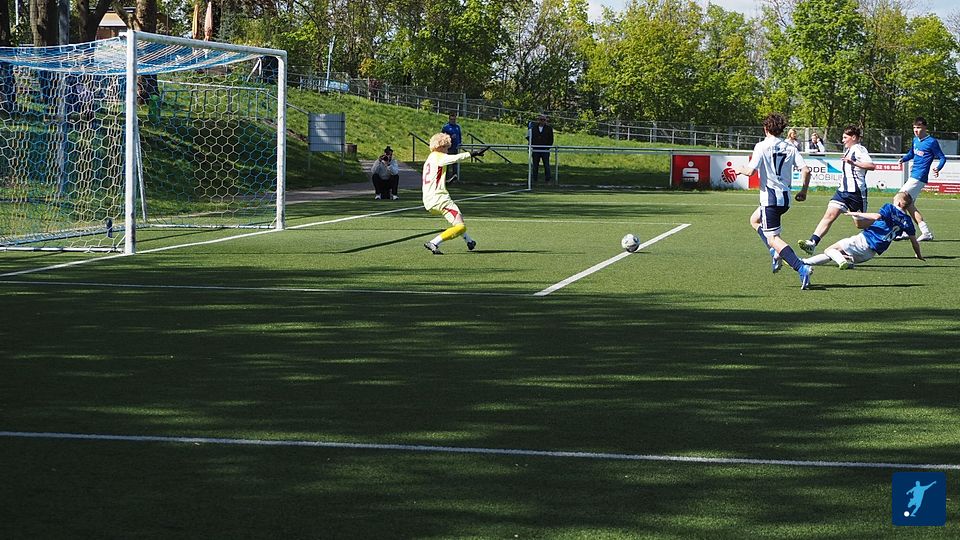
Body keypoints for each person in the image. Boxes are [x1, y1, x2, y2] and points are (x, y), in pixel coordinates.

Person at [736, 112, 814, 289]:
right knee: (754, 220)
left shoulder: (761, 146)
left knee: (773, 238)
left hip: (770, 200)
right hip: (784, 199)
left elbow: (750, 171)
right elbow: (806, 170)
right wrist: (803, 191)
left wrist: (739, 169)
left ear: (766, 128)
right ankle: (775, 251)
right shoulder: (790, 147)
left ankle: (801, 267)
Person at [798, 125, 876, 254]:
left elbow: (871, 166)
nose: (842, 140)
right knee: (829, 215)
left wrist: (854, 163)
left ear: (854, 137)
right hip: (842, 191)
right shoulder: (849, 150)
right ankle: (812, 243)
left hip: (856, 193)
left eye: (845, 137)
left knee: (860, 224)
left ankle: (887, 222)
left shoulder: (859, 149)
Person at [802, 192, 923, 269]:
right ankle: (804, 262)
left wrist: (855, 214)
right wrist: (918, 255)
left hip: (863, 241)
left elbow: (876, 216)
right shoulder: (908, 221)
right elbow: (914, 242)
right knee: (832, 255)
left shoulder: (890, 208)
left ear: (899, 202)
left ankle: (843, 261)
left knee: (829, 250)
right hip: (870, 254)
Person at [421, 132, 486, 254]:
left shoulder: (429, 159)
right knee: (460, 226)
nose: (447, 150)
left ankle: (469, 241)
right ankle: (434, 242)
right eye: (446, 147)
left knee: (456, 221)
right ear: (440, 146)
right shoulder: (440, 156)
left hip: (429, 200)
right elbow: (456, 158)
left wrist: (446, 182)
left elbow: (432, 180)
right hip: (441, 199)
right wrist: (473, 153)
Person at [896, 116, 944, 241]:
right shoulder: (915, 140)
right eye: (914, 127)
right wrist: (903, 159)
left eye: (918, 127)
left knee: (898, 199)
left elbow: (942, 157)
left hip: (919, 177)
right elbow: (911, 153)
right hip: (914, 175)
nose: (916, 130)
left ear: (925, 128)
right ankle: (925, 232)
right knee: (909, 205)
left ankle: (904, 230)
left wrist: (938, 168)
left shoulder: (931, 142)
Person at [527, 114, 554, 183]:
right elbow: (529, 137)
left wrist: (548, 147)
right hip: (536, 149)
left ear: (546, 121)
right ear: (538, 120)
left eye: (544, 120)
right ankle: (534, 179)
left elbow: (551, 139)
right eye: (541, 120)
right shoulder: (533, 128)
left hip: (545, 149)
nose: (542, 121)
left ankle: (548, 179)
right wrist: (531, 145)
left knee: (546, 165)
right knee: (535, 165)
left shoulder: (549, 128)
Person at [441, 113, 463, 180]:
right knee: (447, 162)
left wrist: (460, 143)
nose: (453, 121)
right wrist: (450, 137)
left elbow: (459, 136)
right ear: (449, 119)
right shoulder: (446, 127)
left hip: (456, 148)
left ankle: (455, 176)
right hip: (448, 148)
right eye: (451, 119)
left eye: (454, 119)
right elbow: (442, 137)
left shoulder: (457, 127)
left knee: (455, 162)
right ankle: (445, 176)